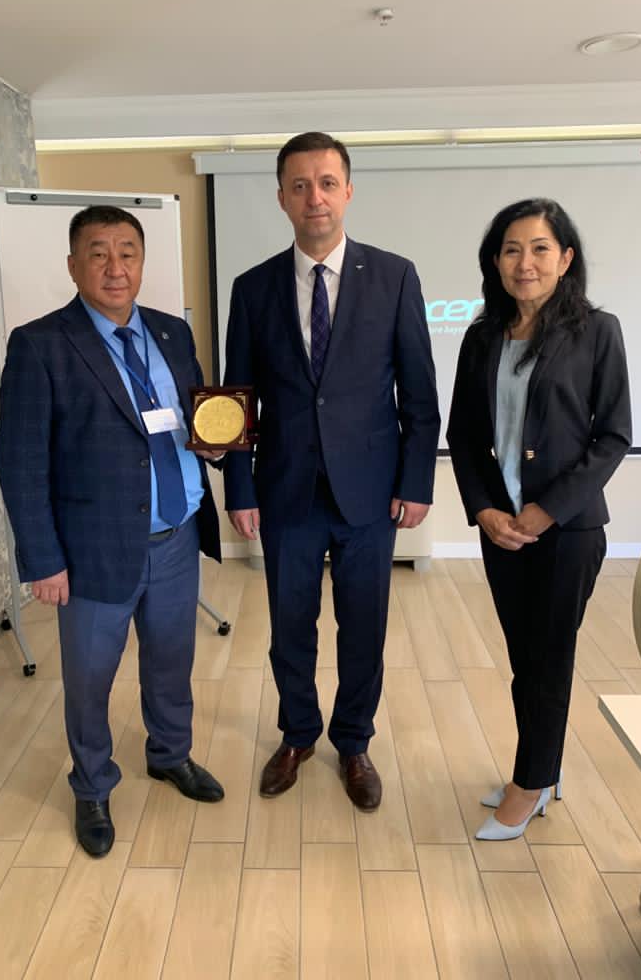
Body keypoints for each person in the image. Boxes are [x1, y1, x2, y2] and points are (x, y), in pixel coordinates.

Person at [0, 205, 225, 858]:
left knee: (172, 661)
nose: (115, 267)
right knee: (91, 678)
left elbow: (192, 415)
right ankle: (92, 784)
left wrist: (213, 446)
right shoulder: (40, 345)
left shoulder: (171, 332)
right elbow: (20, 463)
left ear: (143, 263)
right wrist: (42, 559)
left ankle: (170, 754)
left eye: (128, 252)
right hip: (91, 550)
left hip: (177, 536)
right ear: (74, 265)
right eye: (98, 253)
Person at [224, 132, 440, 810]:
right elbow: (238, 400)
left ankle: (353, 742)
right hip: (285, 490)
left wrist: (416, 482)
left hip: (370, 493)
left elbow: (420, 394)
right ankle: (297, 735)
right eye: (299, 185)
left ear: (347, 191)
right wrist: (239, 487)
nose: (313, 197)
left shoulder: (395, 276)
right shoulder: (252, 288)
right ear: (281, 198)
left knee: (364, 627)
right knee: (290, 626)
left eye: (325, 183)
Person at [447, 197, 631, 840]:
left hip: (566, 533)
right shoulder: (481, 336)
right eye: (511, 250)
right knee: (525, 659)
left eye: (540, 249)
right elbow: (464, 436)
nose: (524, 262)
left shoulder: (596, 331)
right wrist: (484, 510)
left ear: (566, 258)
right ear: (495, 262)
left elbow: (613, 436)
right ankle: (540, 771)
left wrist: (547, 511)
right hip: (502, 532)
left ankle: (530, 785)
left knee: (548, 660)